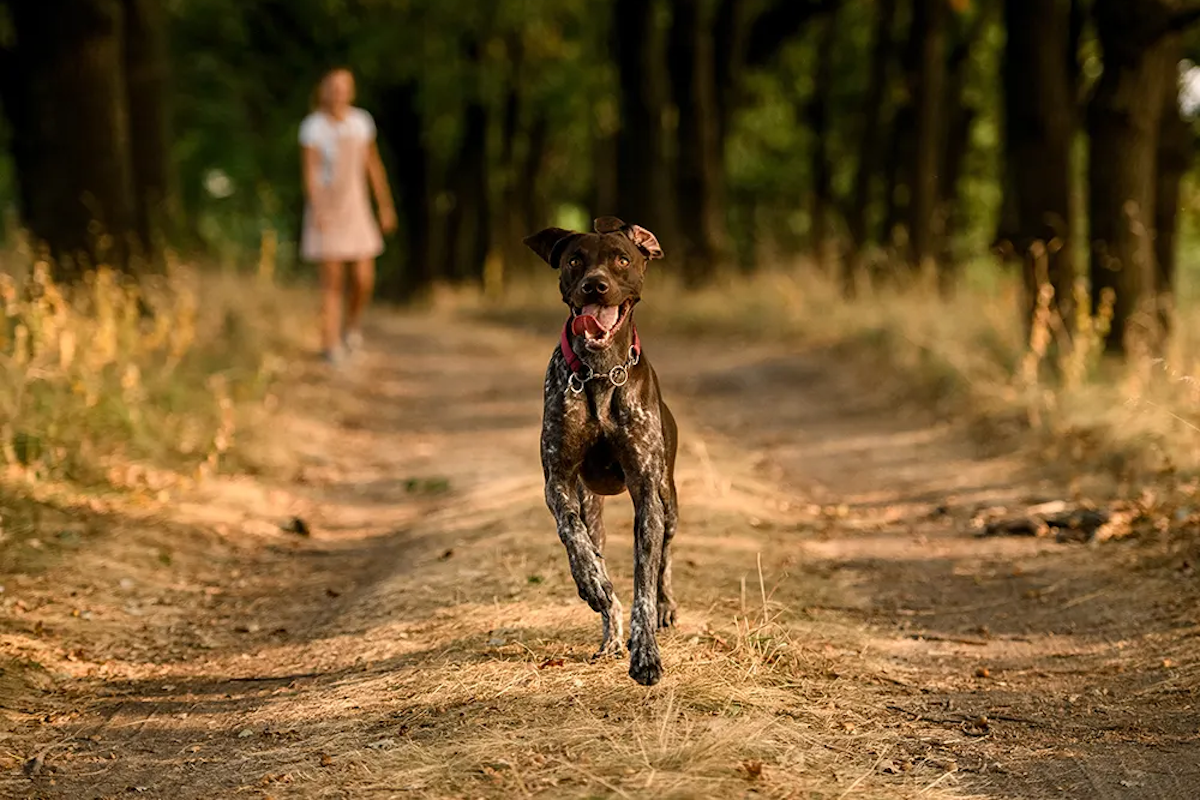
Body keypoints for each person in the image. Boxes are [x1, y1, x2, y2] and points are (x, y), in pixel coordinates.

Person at [299, 67, 397, 363]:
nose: (338, 92)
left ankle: (351, 327)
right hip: (327, 208)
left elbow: (373, 166)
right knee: (332, 282)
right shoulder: (313, 127)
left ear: (351, 91)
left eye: (344, 87)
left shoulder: (361, 122)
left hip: (356, 207)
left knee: (364, 277)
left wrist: (385, 205)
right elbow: (311, 172)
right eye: (333, 87)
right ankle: (330, 344)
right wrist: (318, 210)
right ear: (323, 90)